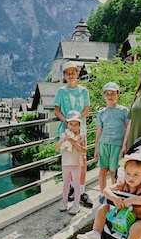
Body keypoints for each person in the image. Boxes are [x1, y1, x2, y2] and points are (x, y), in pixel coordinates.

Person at [54, 62, 93, 208]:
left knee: (81, 161)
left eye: (73, 72)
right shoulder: (61, 91)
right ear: (64, 76)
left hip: (80, 129)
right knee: (68, 160)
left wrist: (76, 122)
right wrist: (67, 121)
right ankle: (71, 189)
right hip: (66, 130)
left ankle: (81, 192)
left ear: (77, 74)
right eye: (67, 73)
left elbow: (86, 111)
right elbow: (57, 111)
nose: (70, 75)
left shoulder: (84, 91)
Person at [94, 82, 129, 204]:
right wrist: (96, 149)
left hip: (117, 145)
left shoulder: (124, 111)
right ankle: (103, 194)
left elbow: (127, 128)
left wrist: (126, 145)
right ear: (103, 96)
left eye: (113, 93)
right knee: (103, 170)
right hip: (103, 144)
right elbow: (99, 131)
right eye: (107, 94)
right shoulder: (101, 112)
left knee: (114, 171)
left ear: (118, 95)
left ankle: (114, 194)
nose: (110, 96)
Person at [55, 110, 87, 215]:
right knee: (66, 184)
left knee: (76, 185)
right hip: (65, 164)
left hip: (76, 164)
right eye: (71, 124)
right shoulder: (63, 135)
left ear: (79, 125)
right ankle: (64, 203)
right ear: (67, 124)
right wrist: (62, 140)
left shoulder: (82, 136)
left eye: (75, 125)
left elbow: (84, 150)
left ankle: (76, 205)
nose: (73, 127)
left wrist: (74, 143)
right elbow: (56, 149)